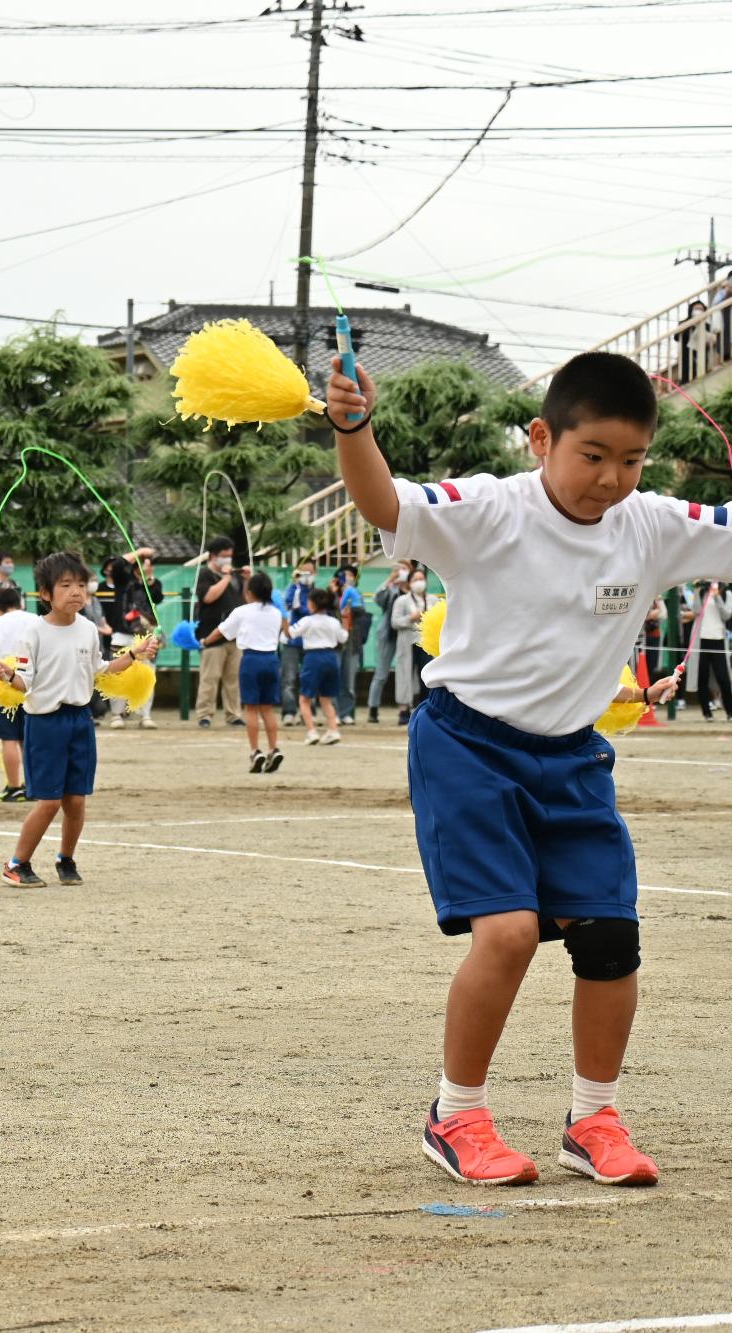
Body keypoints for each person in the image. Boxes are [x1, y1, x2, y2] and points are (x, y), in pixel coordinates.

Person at [328, 348, 710, 1189]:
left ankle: (594, 1119)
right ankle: (455, 1114)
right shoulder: (489, 508)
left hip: (573, 756)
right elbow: (383, 501)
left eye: (632, 460)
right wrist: (353, 425)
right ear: (542, 438)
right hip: (468, 744)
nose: (611, 479)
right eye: (593, 456)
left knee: (611, 936)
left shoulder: (654, 524)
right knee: (507, 932)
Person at [0, 551, 157, 888]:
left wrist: (133, 655)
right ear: (45, 593)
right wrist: (10, 676)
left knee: (76, 800)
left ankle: (65, 859)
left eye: (81, 585)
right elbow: (26, 683)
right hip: (45, 724)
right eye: (65, 585)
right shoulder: (33, 633)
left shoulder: (87, 629)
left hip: (80, 721)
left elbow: (100, 671)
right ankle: (16, 864)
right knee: (50, 800)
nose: (76, 592)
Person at [201, 571, 286, 774]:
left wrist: (204, 641)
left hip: (251, 660)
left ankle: (255, 751)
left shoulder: (242, 611)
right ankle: (273, 748)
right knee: (267, 709)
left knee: (251, 709)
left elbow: (220, 631)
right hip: (272, 660)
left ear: (248, 593)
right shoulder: (276, 613)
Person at [0, 584, 41, 801]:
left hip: (6, 685)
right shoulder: (37, 620)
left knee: (9, 737)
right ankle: (33, 785)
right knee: (30, 738)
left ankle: (14, 786)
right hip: (33, 683)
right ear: (21, 603)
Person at [104, 548, 162, 729]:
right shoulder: (123, 579)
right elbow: (118, 564)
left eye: (149, 562)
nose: (146, 565)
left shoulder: (153, 583)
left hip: (146, 634)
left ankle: (145, 715)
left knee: (147, 674)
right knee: (119, 674)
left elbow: (157, 597)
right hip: (122, 633)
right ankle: (116, 714)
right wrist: (140, 551)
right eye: (143, 562)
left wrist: (149, 578)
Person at [192, 537, 245, 728]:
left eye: (230, 556)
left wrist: (246, 579)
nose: (228, 560)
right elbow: (208, 597)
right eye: (224, 556)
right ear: (213, 556)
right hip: (212, 634)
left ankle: (234, 714)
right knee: (210, 677)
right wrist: (226, 577)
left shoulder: (235, 576)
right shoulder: (205, 574)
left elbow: (246, 599)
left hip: (235, 636)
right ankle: (205, 714)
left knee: (233, 678)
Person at [288, 587, 347, 746]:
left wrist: (283, 624)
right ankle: (333, 730)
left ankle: (311, 732)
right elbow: (343, 638)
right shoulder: (334, 621)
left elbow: (291, 633)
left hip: (313, 658)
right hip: (331, 657)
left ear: (312, 604)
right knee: (326, 699)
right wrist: (347, 621)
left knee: (304, 699)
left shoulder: (307, 620)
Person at [368, 560, 413, 724]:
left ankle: (407, 708)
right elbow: (377, 598)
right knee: (381, 673)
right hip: (388, 634)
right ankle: (373, 708)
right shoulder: (391, 590)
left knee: (407, 673)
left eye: (405, 569)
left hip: (407, 636)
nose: (401, 571)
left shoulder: (414, 590)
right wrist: (389, 580)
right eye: (398, 569)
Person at [280, 556, 318, 719]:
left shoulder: (317, 592)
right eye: (303, 572)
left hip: (311, 642)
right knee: (289, 678)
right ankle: (289, 711)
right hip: (292, 640)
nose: (307, 575)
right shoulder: (292, 589)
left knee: (310, 678)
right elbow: (290, 605)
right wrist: (295, 585)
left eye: (310, 572)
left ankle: (309, 712)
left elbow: (314, 611)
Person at [390, 570, 428, 724]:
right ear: (410, 582)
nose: (419, 582)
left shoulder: (432, 600)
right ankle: (403, 709)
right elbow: (395, 622)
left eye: (422, 578)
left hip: (425, 643)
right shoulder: (402, 601)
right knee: (405, 674)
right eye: (416, 579)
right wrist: (411, 618)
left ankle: (426, 708)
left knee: (426, 675)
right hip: (407, 641)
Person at [691, 581, 732, 720]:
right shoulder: (702, 592)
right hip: (702, 640)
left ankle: (729, 712)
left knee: (723, 678)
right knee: (702, 678)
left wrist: (717, 596)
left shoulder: (727, 594)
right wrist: (697, 591)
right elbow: (696, 610)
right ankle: (706, 712)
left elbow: (726, 615)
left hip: (718, 639)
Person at [334, 565, 368, 725]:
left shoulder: (356, 595)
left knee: (349, 680)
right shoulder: (331, 594)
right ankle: (333, 713)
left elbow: (362, 613)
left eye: (350, 575)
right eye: (344, 575)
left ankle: (347, 713)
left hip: (352, 641)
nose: (347, 578)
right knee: (334, 678)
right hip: (333, 643)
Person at [676, 299, 709, 384]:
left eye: (701, 309)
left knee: (701, 366)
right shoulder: (684, 323)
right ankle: (685, 380)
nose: (698, 311)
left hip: (701, 352)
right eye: (696, 309)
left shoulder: (706, 325)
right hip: (686, 352)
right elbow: (676, 337)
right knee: (687, 367)